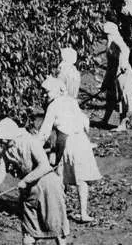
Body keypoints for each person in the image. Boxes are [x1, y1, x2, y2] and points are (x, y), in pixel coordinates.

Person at [0, 118, 69, 245]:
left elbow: (44, 166)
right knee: (28, 229)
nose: (3, 142)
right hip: (29, 191)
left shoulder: (30, 141)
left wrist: (26, 180)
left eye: (5, 139)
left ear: (12, 135)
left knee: (55, 225)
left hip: (48, 186)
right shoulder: (7, 150)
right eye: (1, 140)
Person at [38, 77, 101, 223]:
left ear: (56, 90)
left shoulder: (53, 106)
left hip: (68, 143)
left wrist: (35, 146)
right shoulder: (71, 101)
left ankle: (58, 211)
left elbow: (44, 132)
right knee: (81, 178)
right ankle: (83, 213)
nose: (45, 95)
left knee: (60, 176)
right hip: (82, 142)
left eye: (47, 92)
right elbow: (84, 121)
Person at [100, 22, 132, 131]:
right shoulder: (111, 41)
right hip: (113, 71)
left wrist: (123, 64)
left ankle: (124, 123)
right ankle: (105, 120)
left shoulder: (117, 40)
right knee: (111, 96)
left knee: (124, 97)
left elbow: (126, 50)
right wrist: (106, 80)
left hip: (122, 73)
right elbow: (110, 63)